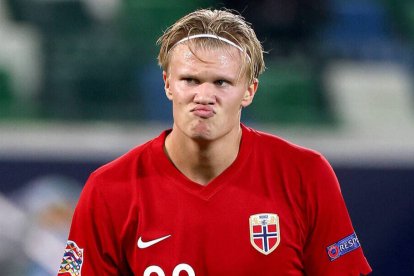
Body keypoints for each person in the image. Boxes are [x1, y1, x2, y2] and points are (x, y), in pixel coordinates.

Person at [58, 8, 372, 275]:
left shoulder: (306, 175)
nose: (204, 96)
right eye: (190, 80)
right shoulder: (109, 190)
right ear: (168, 83)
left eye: (221, 82)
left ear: (249, 91)